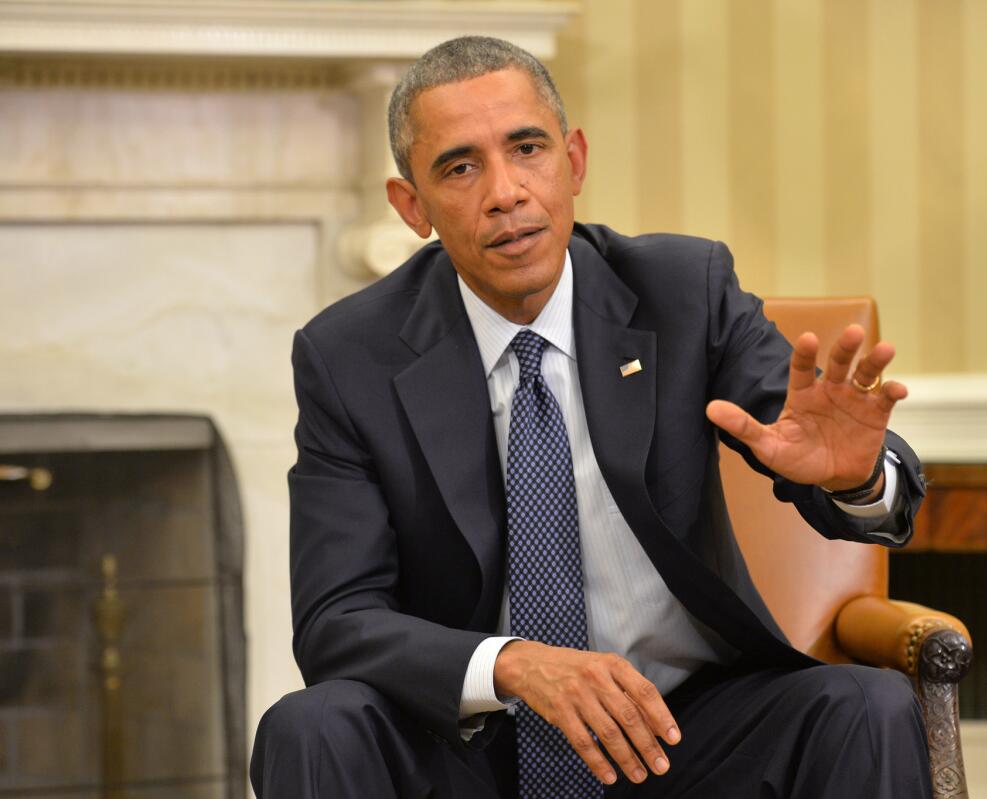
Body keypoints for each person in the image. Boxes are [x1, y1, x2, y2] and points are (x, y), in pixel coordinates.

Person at [250, 36, 931, 798]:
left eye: (527, 148)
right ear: (413, 206)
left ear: (573, 160)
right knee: (308, 724)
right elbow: (335, 620)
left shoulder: (683, 290)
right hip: (468, 749)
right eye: (460, 167)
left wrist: (856, 477)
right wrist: (513, 663)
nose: (506, 192)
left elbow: (809, 436)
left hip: (679, 733)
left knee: (866, 706)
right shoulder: (351, 355)